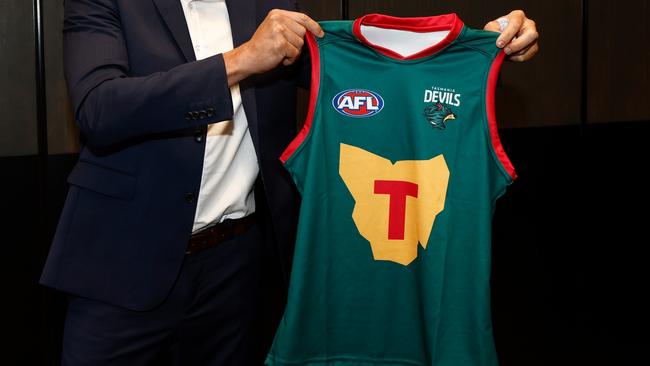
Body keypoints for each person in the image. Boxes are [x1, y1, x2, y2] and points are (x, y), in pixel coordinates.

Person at [40, 0, 539, 365]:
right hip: (122, 261)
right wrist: (240, 61)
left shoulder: (264, 3)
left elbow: (364, 60)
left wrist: (486, 45)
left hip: (235, 266)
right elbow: (99, 108)